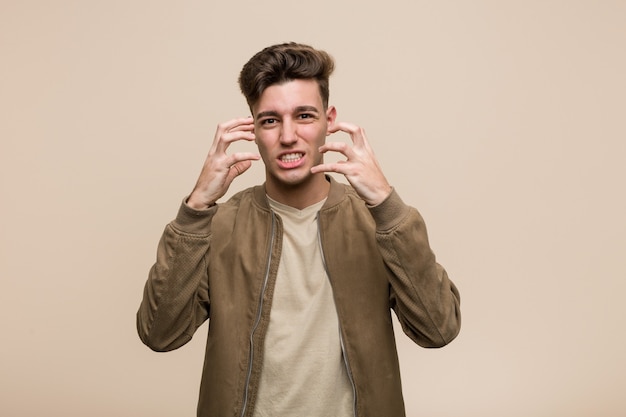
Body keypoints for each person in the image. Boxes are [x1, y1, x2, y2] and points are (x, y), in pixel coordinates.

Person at [137, 42, 461, 417]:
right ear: (253, 130)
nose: (288, 136)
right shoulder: (219, 224)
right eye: (270, 120)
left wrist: (386, 204)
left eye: (304, 116)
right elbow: (159, 334)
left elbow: (438, 329)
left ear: (329, 119)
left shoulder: (378, 222)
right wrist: (195, 210)